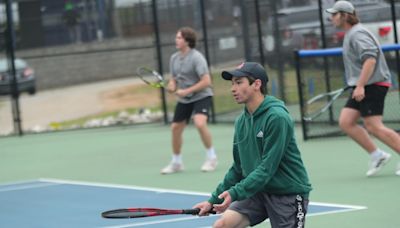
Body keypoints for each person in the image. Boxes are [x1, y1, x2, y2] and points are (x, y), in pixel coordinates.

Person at [193, 62, 312, 227]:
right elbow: (238, 168)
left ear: (257, 84)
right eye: (232, 83)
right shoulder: (242, 122)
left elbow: (267, 168)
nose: (233, 88)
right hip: (258, 191)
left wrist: (235, 192)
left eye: (239, 82)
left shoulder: (277, 118)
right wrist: (212, 201)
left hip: (287, 193)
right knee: (223, 225)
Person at [326, 1, 400, 177]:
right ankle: (378, 155)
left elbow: (370, 60)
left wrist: (359, 86)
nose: (331, 18)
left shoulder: (357, 33)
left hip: (373, 85)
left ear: (345, 15)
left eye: (335, 14)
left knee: (374, 126)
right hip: (363, 84)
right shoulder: (352, 33)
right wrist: (356, 83)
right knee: (346, 121)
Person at [161, 27, 217, 174]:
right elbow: (173, 80)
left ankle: (211, 158)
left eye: (179, 38)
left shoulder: (197, 58)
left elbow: (206, 81)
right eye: (176, 37)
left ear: (187, 41)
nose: (176, 40)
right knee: (175, 128)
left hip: (202, 95)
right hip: (185, 99)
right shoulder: (174, 58)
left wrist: (186, 91)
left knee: (199, 123)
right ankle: (177, 162)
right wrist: (172, 86)